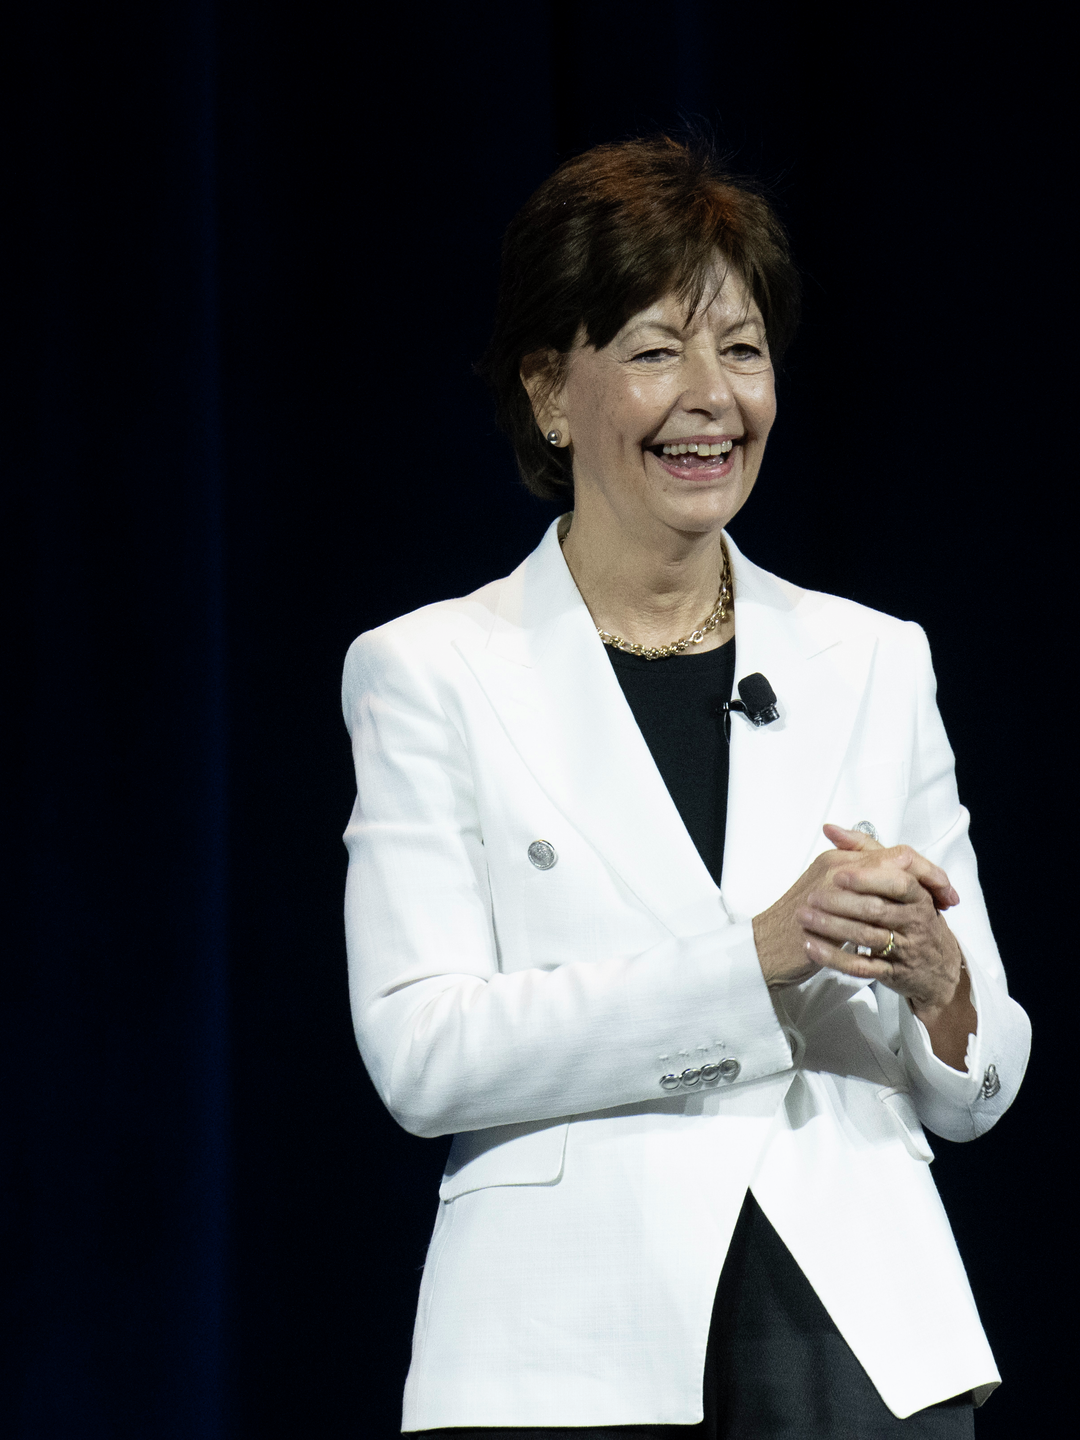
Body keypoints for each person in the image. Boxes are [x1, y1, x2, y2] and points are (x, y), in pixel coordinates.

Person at [341, 138, 1030, 1438]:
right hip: (569, 1349)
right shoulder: (430, 671)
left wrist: (944, 992)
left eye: (745, 350)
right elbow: (422, 1054)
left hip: (857, 1344)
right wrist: (754, 961)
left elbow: (985, 1070)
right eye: (657, 350)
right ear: (552, 389)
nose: (712, 397)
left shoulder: (872, 660)